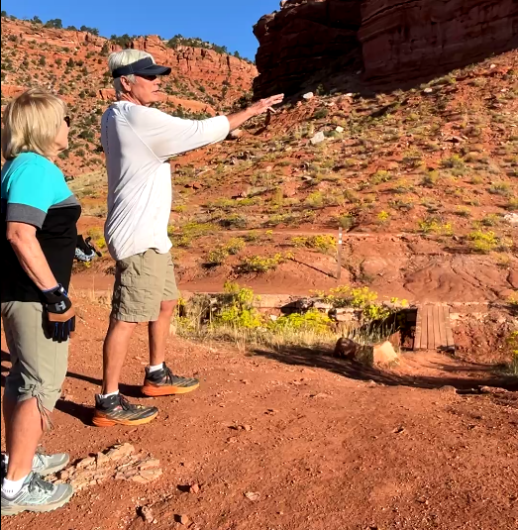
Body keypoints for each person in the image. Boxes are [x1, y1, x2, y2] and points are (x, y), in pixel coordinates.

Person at [93, 49, 283, 427]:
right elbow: (199, 132)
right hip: (138, 236)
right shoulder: (136, 118)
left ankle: (156, 374)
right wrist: (251, 109)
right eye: (149, 76)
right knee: (127, 317)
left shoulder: (117, 115)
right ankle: (108, 400)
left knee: (165, 302)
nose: (158, 81)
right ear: (126, 83)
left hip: (151, 234)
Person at [1, 89, 79, 515]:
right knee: (40, 386)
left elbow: (37, 227)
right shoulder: (36, 167)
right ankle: (15, 487)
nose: (69, 126)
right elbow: (19, 233)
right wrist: (55, 294)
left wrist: (72, 243)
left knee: (20, 379)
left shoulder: (19, 167)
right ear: (46, 126)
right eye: (64, 119)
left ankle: (20, 456)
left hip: (18, 294)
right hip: (35, 298)